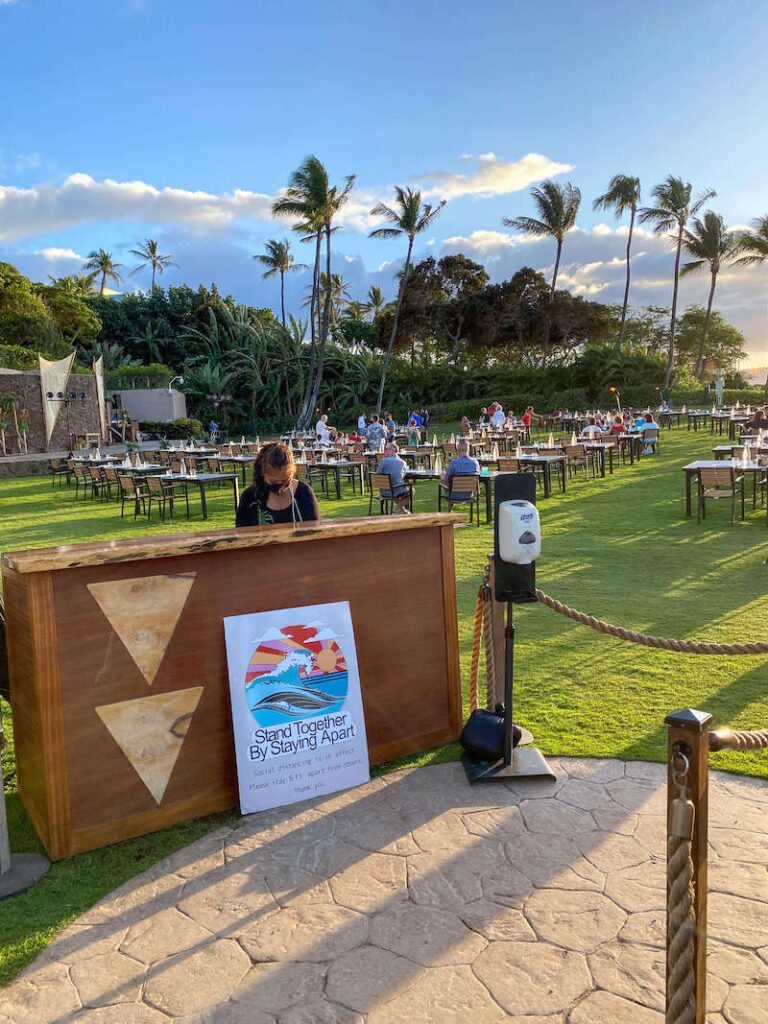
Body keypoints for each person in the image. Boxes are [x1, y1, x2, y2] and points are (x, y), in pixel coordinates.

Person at [236, 442, 320, 526]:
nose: (279, 486)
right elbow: (241, 533)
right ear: (262, 473)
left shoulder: (303, 492)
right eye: (273, 482)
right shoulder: (249, 497)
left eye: (285, 481)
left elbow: (315, 531)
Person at [377, 442, 411, 514]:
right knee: (411, 490)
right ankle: (395, 511)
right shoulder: (402, 462)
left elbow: (378, 474)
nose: (385, 451)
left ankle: (401, 511)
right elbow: (402, 476)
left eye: (386, 449)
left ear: (393, 451)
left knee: (396, 488)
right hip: (394, 490)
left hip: (383, 491)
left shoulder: (383, 461)